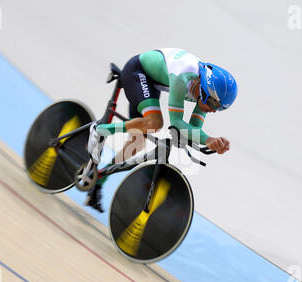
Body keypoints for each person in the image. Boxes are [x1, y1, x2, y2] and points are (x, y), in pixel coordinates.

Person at [85, 48, 238, 212]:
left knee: (137, 143)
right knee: (155, 123)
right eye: (214, 105)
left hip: (152, 83)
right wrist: (207, 139)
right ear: (204, 90)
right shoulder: (184, 77)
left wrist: (215, 144)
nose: (214, 111)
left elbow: (193, 130)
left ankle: (97, 182)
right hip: (137, 72)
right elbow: (177, 123)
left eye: (220, 109)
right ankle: (101, 129)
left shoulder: (205, 93)